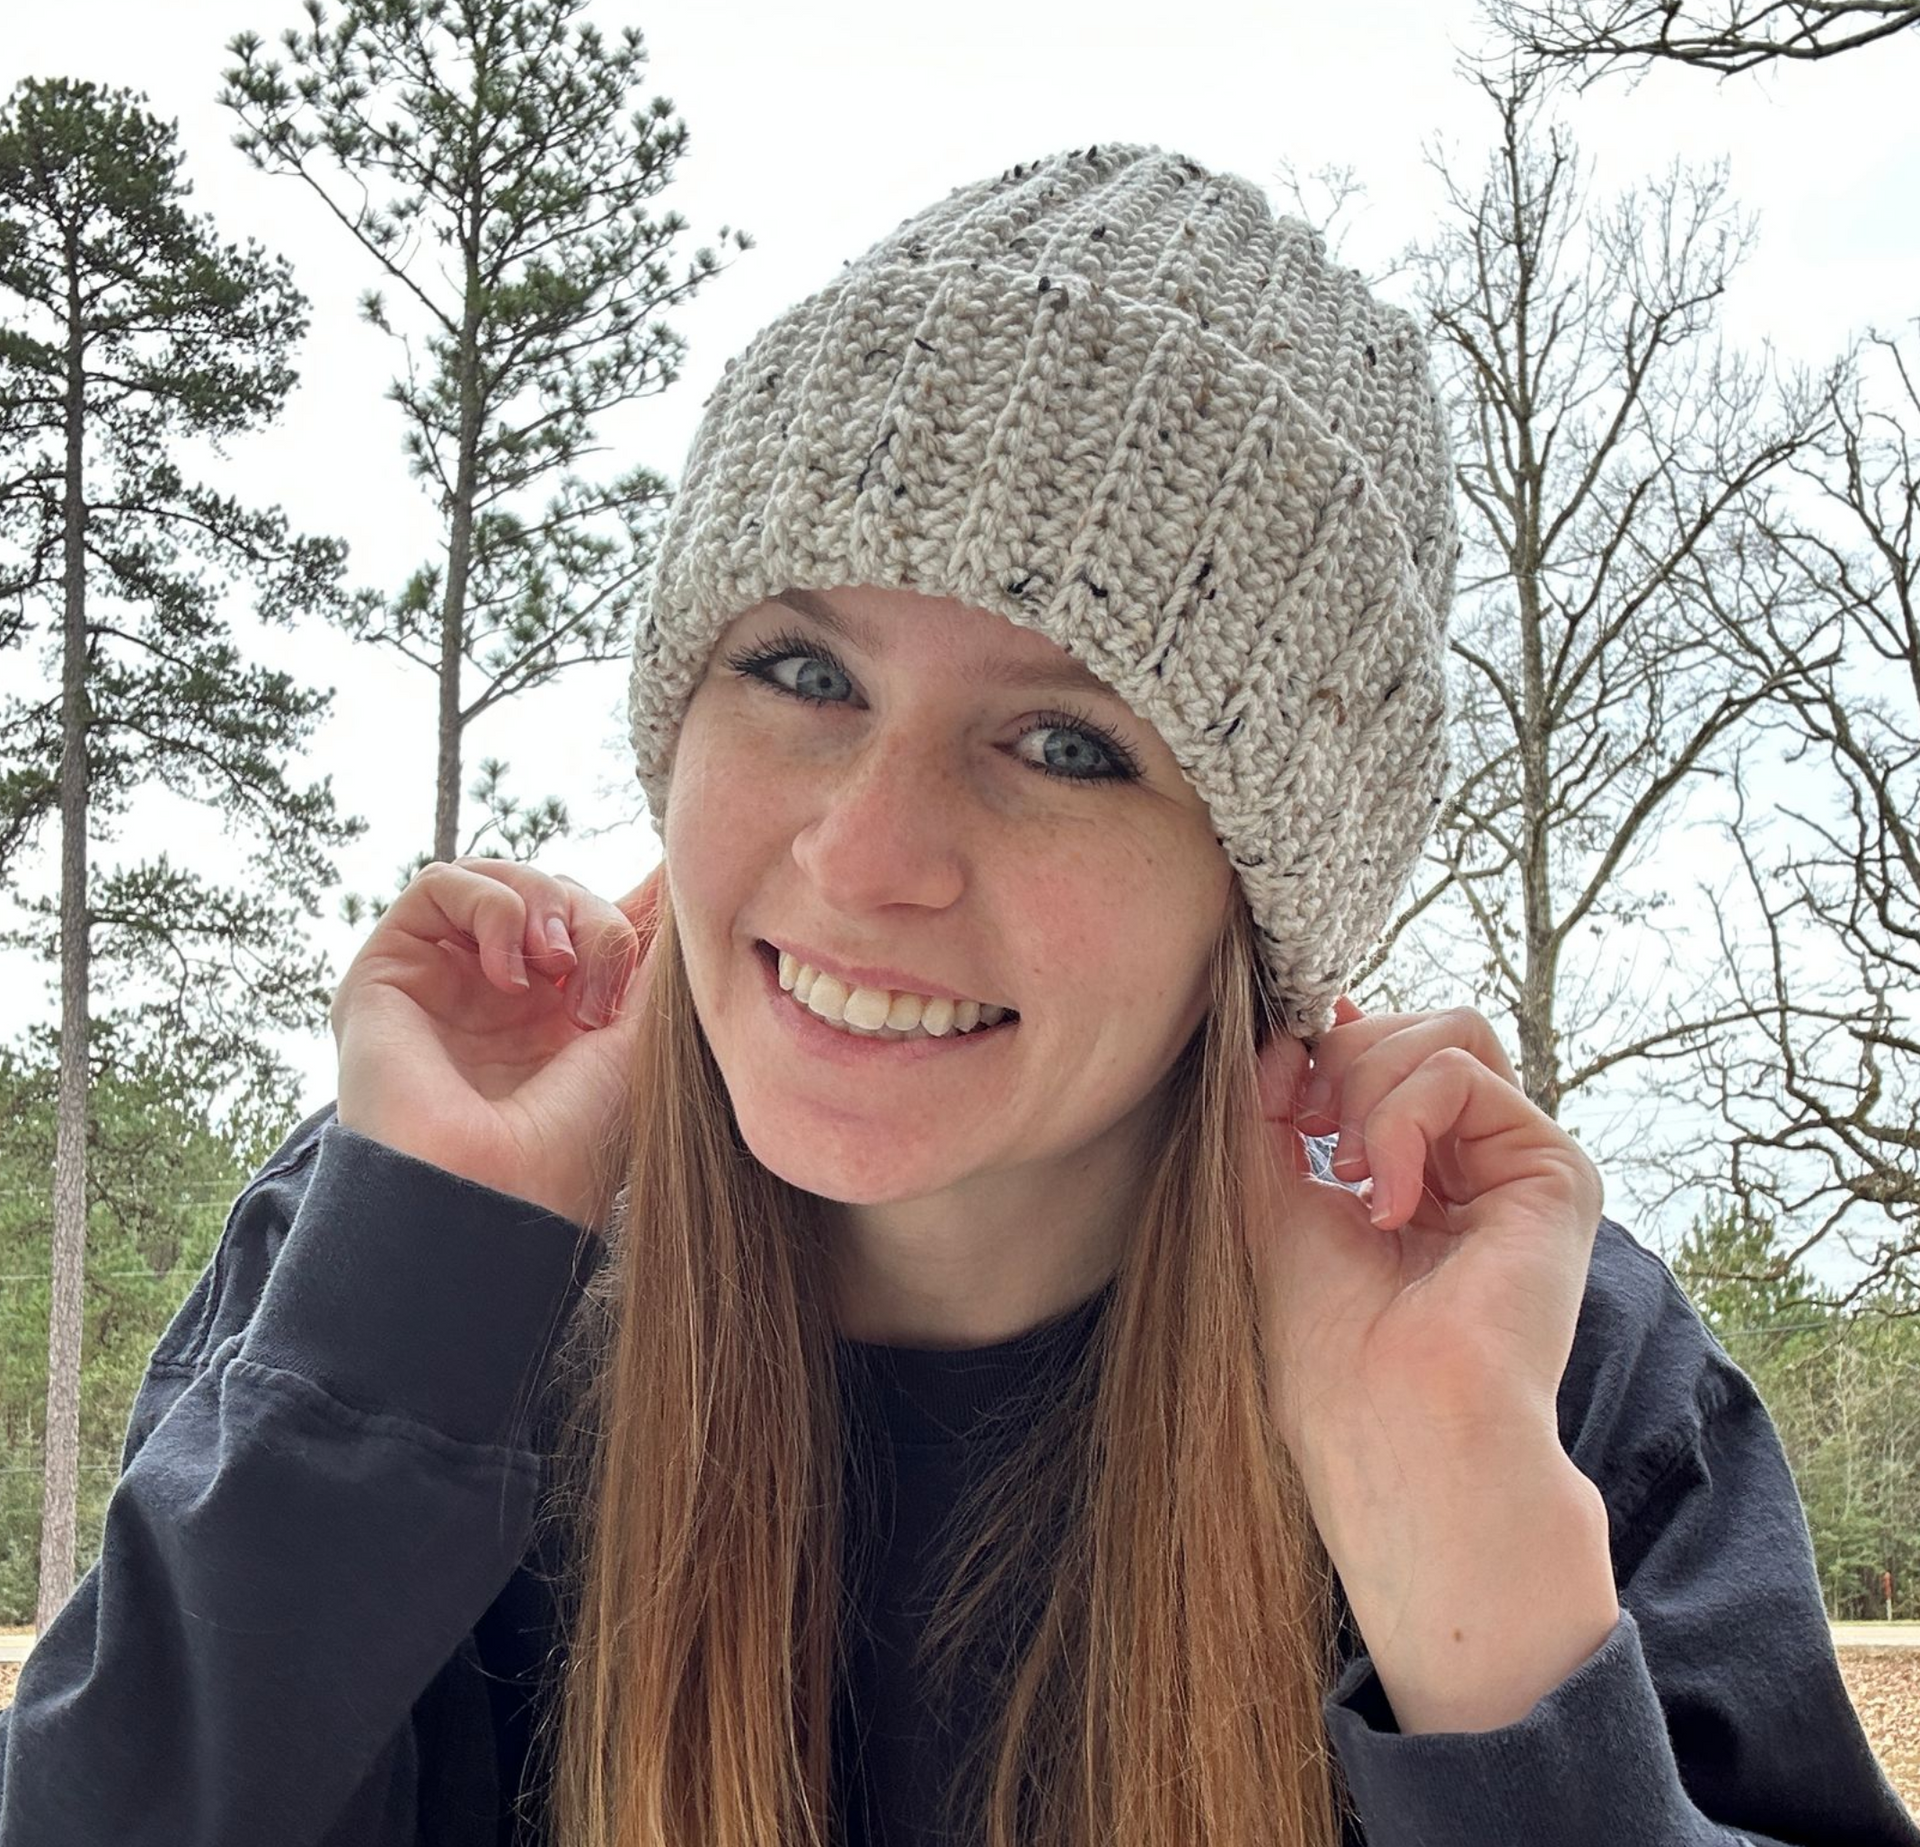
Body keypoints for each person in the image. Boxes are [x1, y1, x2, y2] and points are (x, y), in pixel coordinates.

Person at [0, 140, 1912, 1847]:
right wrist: (408, 1322)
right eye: (804, 673)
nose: (866, 852)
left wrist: (1481, 1616)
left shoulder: (1538, 1373)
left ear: (1260, 911)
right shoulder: (401, 1250)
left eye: (1069, 747)